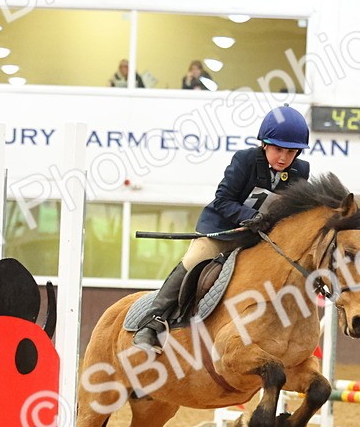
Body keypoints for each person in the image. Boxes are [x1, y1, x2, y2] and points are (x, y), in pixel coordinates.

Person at [133, 105, 311, 353]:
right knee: (194, 259)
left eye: (291, 152)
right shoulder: (246, 160)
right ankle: (152, 323)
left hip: (257, 241)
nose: (283, 157)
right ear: (264, 145)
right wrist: (252, 216)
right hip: (223, 232)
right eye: (278, 149)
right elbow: (223, 200)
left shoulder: (300, 171)